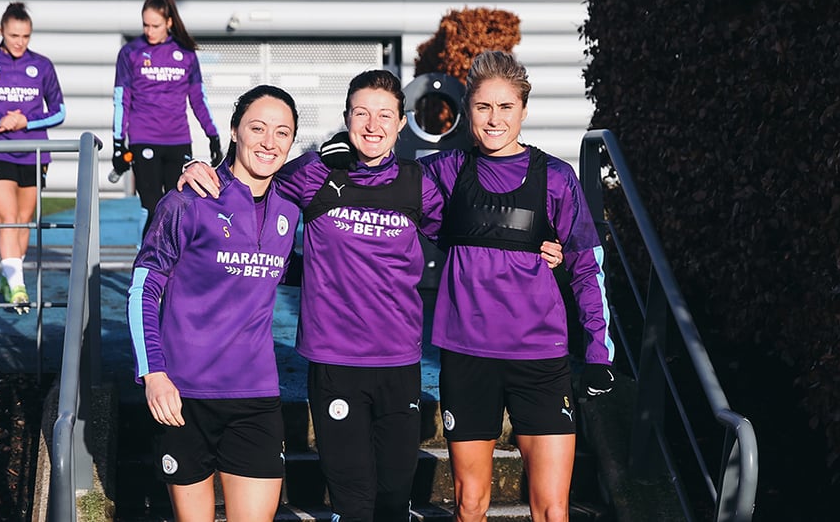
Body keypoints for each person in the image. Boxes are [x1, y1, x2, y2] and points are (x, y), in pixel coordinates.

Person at [178, 70, 564, 521]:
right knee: (354, 502)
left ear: (401, 124)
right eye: (361, 113)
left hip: (399, 363)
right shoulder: (315, 173)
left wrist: (533, 242)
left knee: (393, 501)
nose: (373, 124)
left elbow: (469, 232)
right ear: (346, 118)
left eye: (385, 115)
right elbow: (252, 183)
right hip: (335, 362)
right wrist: (203, 170)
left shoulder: (418, 183)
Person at [418, 50, 615, 522]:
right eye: (483, 106)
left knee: (551, 508)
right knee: (470, 504)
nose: (494, 119)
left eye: (506, 107)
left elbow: (587, 265)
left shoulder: (557, 178)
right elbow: (381, 184)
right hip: (468, 356)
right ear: (467, 111)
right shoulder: (446, 171)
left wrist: (598, 352)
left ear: (523, 111)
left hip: (541, 360)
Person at [128, 84, 300, 522]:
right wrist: (154, 373)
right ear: (234, 131)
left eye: (282, 133)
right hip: (184, 396)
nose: (269, 142)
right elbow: (143, 288)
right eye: (257, 128)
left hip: (256, 397)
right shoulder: (187, 201)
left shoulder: (291, 209)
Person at [0, 1, 66, 314]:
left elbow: (59, 110)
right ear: (1, 32)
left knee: (23, 221)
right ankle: (18, 285)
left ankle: (9, 276)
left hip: (34, 152)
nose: (19, 42)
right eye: (14, 35)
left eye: (25, 36)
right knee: (6, 217)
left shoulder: (42, 66)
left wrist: (26, 123)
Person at [112, 0, 223, 238]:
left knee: (179, 206)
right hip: (144, 138)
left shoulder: (185, 54)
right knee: (151, 207)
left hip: (178, 140)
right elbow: (121, 100)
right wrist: (118, 144)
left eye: (155, 25)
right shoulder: (130, 52)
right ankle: (144, 266)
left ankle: (173, 268)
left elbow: (198, 99)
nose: (149, 31)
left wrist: (213, 136)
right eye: (145, 25)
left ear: (169, 23)